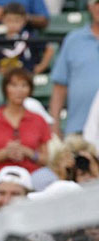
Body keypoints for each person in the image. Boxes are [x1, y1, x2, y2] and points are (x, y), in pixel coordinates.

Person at [0, 68, 51, 178]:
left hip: (31, 178)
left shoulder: (39, 120)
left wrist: (28, 152)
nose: (19, 90)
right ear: (5, 88)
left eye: (24, 85)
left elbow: (47, 160)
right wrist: (4, 153)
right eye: (14, 85)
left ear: (30, 90)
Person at [49, 0, 99, 138]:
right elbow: (59, 86)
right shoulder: (73, 39)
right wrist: (54, 126)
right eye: (97, 3)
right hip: (78, 129)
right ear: (89, 6)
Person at [0, 2, 54, 75]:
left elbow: (49, 49)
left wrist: (40, 67)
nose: (13, 24)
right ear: (2, 20)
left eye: (17, 20)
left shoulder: (30, 37)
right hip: (3, 80)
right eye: (9, 20)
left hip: (27, 78)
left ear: (24, 21)